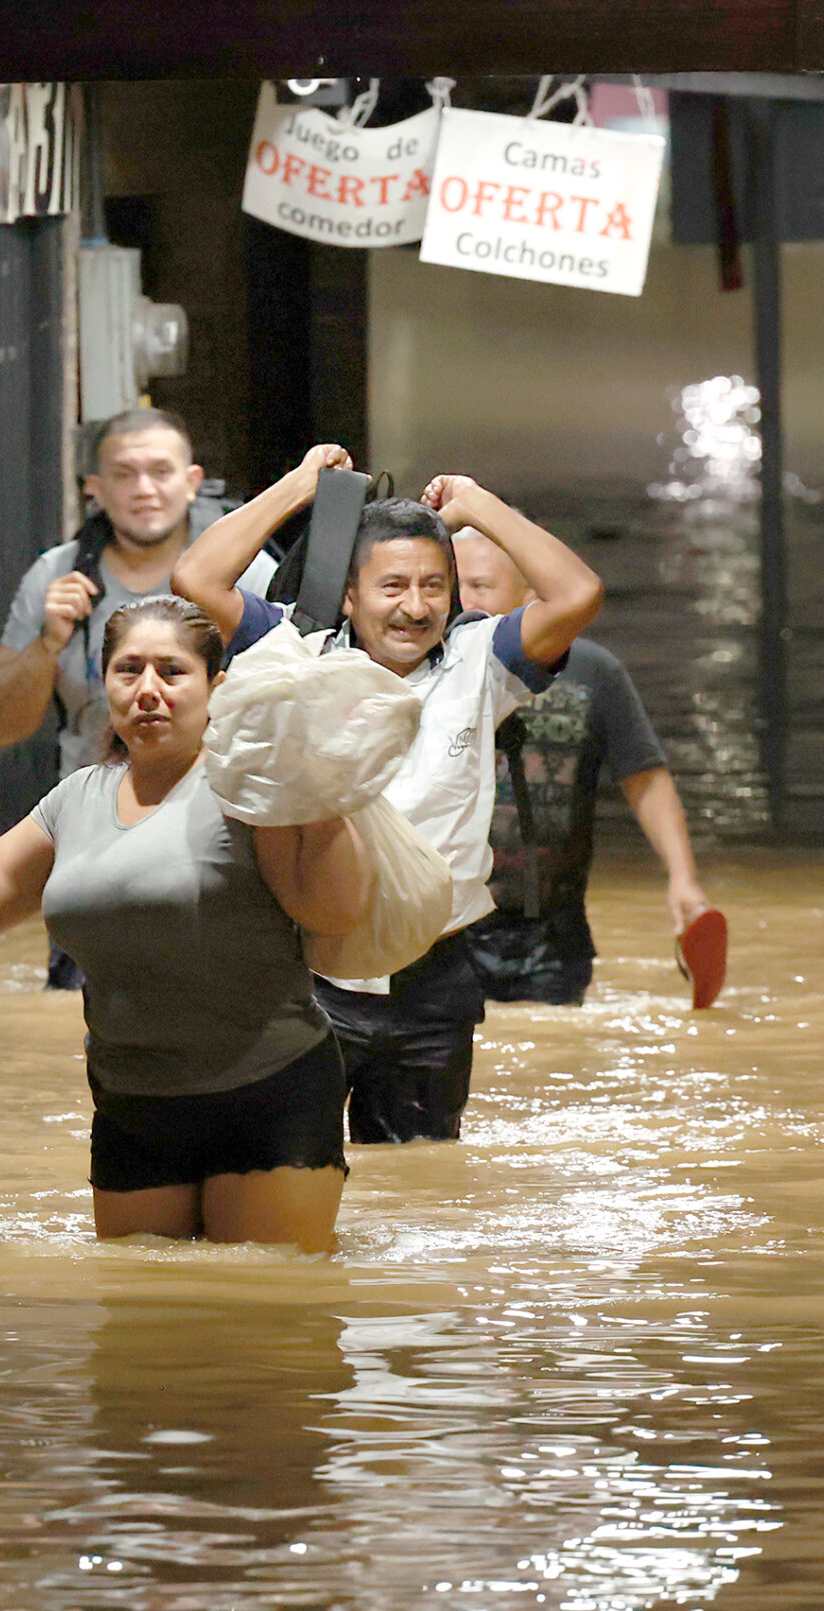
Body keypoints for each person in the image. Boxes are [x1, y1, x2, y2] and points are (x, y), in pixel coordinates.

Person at [174, 446, 604, 1145]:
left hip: (433, 978)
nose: (415, 607)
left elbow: (578, 593)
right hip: (307, 971)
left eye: (434, 587)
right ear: (348, 593)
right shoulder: (293, 648)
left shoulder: (483, 660)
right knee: (293, 1169)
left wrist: (478, 506)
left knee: (421, 1185)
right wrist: (298, 486)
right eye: (392, 586)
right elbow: (196, 577)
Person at [0, 595, 374, 1252]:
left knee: (266, 1318)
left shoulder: (252, 787)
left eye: (171, 672)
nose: (148, 691)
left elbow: (335, 910)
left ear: (215, 686)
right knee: (141, 1326)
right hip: (132, 1102)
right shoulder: (74, 799)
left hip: (267, 1092)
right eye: (128, 670)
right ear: (103, 683)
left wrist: (319, 799)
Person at [0, 409, 276, 989]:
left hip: (221, 845)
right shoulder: (57, 576)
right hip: (94, 848)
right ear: (94, 489)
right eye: (125, 473)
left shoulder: (246, 572)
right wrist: (48, 642)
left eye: (160, 471)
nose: (144, 490)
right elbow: (1, 725)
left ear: (191, 480)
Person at [453, 528, 712, 1005]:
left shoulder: (594, 672)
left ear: (529, 593)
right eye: (452, 584)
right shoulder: (426, 672)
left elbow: (645, 778)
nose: (462, 600)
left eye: (480, 586)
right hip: (445, 931)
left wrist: (682, 878)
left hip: (553, 937)